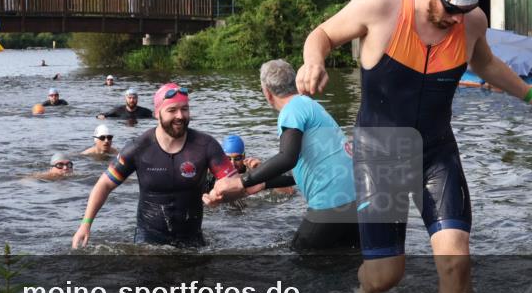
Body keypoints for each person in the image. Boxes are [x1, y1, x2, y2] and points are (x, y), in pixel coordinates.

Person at [295, 0, 532, 293]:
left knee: (457, 261)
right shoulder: (382, 5)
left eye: (465, 12)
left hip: (435, 152)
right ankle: (366, 285)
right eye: (451, 10)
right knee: (386, 275)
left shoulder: (471, 21)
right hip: (380, 154)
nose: (457, 20)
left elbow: (487, 64)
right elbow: (320, 35)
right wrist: (313, 62)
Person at [207, 60, 359, 252]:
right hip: (356, 200)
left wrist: (242, 182)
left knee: (298, 258)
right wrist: (262, 184)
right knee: (346, 261)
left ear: (267, 92)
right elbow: (300, 171)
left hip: (332, 202)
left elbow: (287, 158)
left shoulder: (291, 110)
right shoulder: (309, 104)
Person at [72, 83, 239, 248]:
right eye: (172, 110)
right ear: (157, 114)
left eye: (185, 109)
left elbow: (236, 184)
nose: (180, 116)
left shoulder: (205, 145)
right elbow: (104, 184)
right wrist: (85, 224)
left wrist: (221, 196)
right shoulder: (139, 147)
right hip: (148, 242)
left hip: (192, 241)